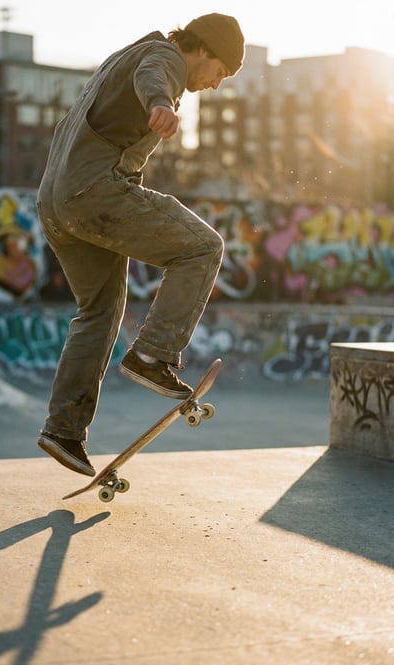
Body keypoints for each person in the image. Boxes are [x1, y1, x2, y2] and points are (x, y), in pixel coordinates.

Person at [36, 13, 245, 476]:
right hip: (93, 193)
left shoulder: (124, 56)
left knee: (100, 311)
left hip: (55, 203)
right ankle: (153, 355)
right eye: (220, 73)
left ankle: (63, 429)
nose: (214, 85)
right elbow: (156, 76)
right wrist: (161, 104)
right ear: (204, 50)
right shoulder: (165, 56)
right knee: (203, 247)